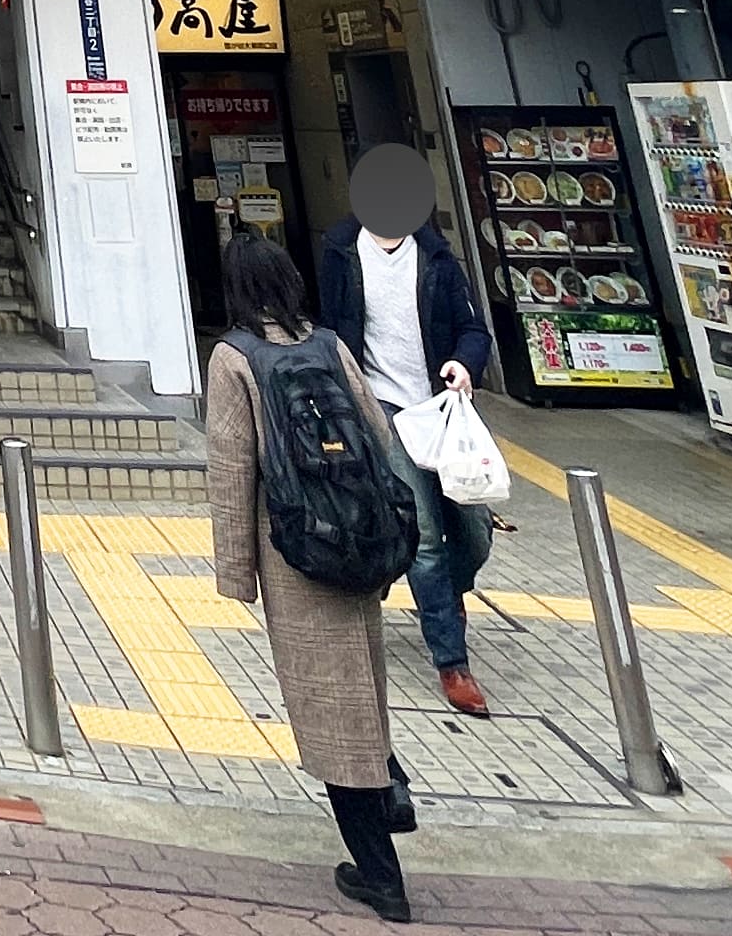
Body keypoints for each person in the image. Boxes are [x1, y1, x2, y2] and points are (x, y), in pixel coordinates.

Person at [207, 232, 410, 923]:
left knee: (331, 710)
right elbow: (380, 439)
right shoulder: (330, 345)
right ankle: (391, 789)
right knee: (365, 688)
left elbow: (231, 469)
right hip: (361, 539)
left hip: (296, 548)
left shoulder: (234, 358)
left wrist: (237, 574)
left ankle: (381, 873)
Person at [319, 144, 500, 717]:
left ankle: (448, 595)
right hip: (385, 412)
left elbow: (475, 330)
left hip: (442, 410)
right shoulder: (340, 252)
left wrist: (464, 365)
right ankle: (453, 663)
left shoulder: (437, 258)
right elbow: (331, 330)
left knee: (473, 533)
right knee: (424, 538)